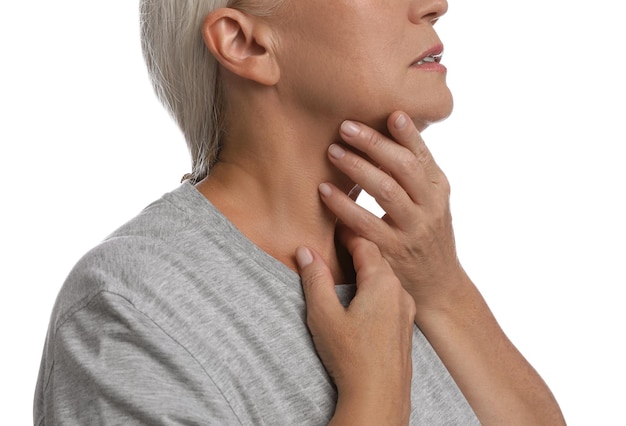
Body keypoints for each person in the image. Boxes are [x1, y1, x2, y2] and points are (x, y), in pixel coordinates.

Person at [34, 0, 566, 424]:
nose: (435, 4)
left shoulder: (404, 270)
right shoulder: (129, 308)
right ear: (246, 43)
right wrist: (376, 399)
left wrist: (444, 287)